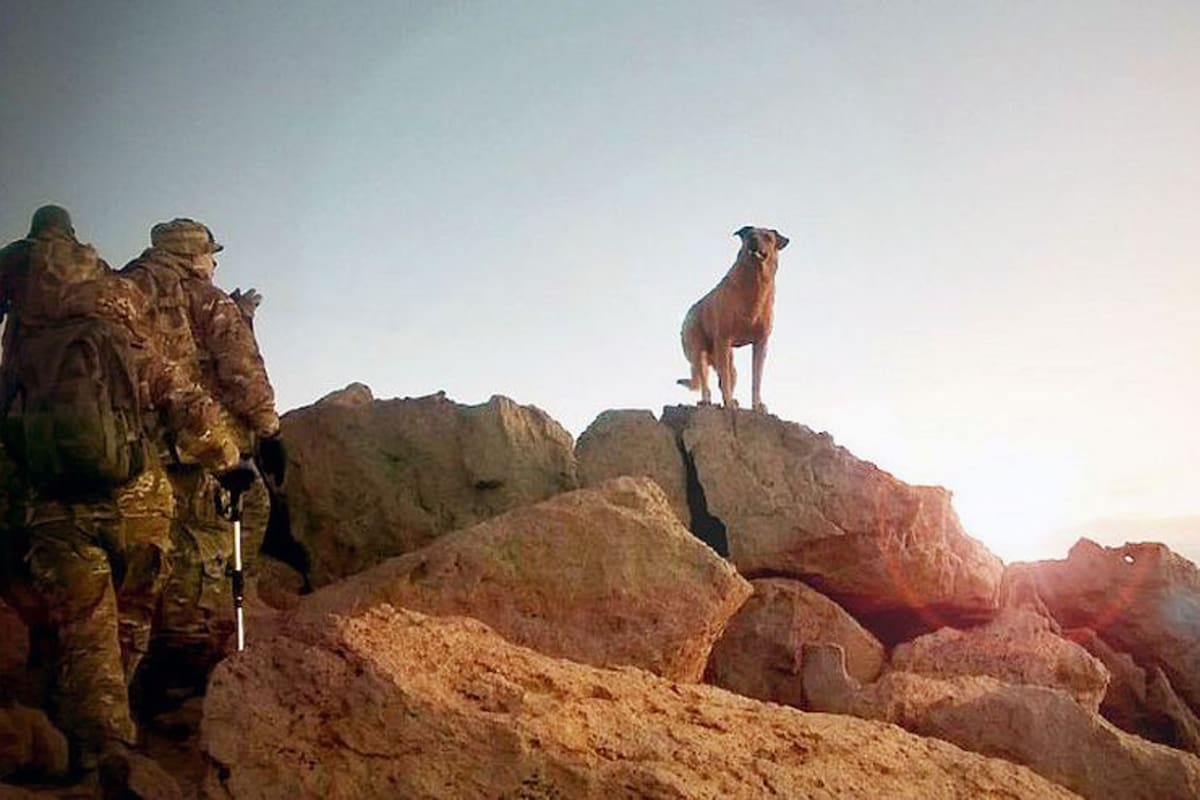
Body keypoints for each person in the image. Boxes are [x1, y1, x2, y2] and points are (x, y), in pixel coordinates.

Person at [0, 205, 241, 775]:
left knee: (86, 622)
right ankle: (113, 735)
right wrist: (229, 459)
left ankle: (98, 740)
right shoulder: (120, 311)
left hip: (53, 495)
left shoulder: (25, 342)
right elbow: (178, 395)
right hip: (138, 493)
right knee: (131, 615)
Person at [120, 218, 281, 701]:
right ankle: (183, 667)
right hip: (199, 446)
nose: (213, 264)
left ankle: (139, 664)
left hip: (132, 448)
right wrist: (269, 426)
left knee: (153, 548)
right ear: (194, 256)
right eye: (211, 255)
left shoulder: (121, 290)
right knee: (217, 539)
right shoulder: (206, 298)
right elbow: (241, 370)